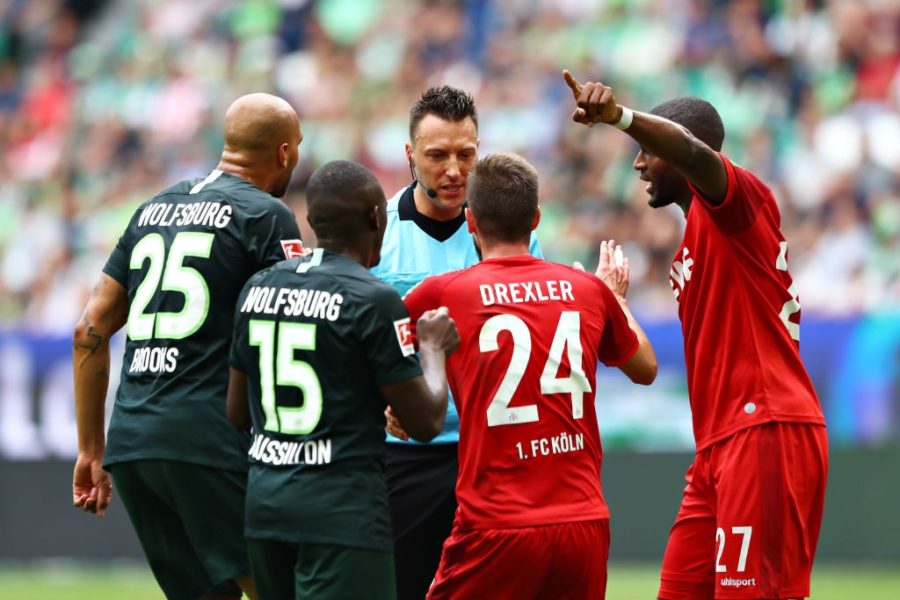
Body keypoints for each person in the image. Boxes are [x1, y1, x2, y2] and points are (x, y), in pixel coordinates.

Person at [563, 70, 829, 600]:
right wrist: (616, 304)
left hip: (764, 428)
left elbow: (692, 152)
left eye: (646, 150)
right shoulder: (691, 247)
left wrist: (620, 117)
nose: (638, 163)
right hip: (716, 447)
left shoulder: (736, 206)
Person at [72, 92, 305, 600]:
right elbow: (291, 325)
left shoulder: (152, 209)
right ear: (285, 153)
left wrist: (92, 448)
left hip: (133, 445)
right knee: (283, 589)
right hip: (208, 441)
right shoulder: (267, 216)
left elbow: (89, 329)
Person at [403, 152, 658, 599]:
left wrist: (393, 404)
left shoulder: (443, 293)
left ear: (471, 222)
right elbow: (645, 369)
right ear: (536, 219)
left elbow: (375, 348)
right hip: (583, 522)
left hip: (495, 524)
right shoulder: (588, 291)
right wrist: (616, 300)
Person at [226, 159, 459, 600]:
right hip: (342, 513)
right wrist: (431, 348)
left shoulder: (258, 287)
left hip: (265, 508)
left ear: (312, 221)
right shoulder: (373, 299)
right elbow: (426, 422)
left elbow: (237, 412)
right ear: (377, 217)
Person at [369, 85, 542, 600]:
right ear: (409, 155)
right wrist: (375, 400)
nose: (453, 170)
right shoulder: (375, 228)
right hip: (408, 455)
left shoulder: (509, 229)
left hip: (492, 451)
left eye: (466, 154)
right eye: (437, 155)